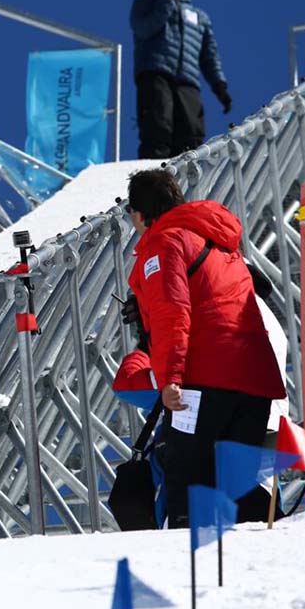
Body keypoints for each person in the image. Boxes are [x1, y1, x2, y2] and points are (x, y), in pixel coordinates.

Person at [124, 168, 286, 527]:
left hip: (202, 379)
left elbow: (172, 314)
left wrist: (170, 378)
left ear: (138, 213)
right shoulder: (221, 242)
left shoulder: (163, 243)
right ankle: (261, 571)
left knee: (188, 480)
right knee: (239, 484)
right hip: (253, 379)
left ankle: (189, 575)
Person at [130, 0, 232, 159]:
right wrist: (167, 2)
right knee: (158, 126)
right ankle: (152, 178)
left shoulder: (199, 16)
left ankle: (185, 183)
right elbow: (142, 29)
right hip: (156, 71)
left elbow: (209, 54)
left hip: (188, 81)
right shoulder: (149, 0)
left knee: (191, 134)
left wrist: (219, 85)